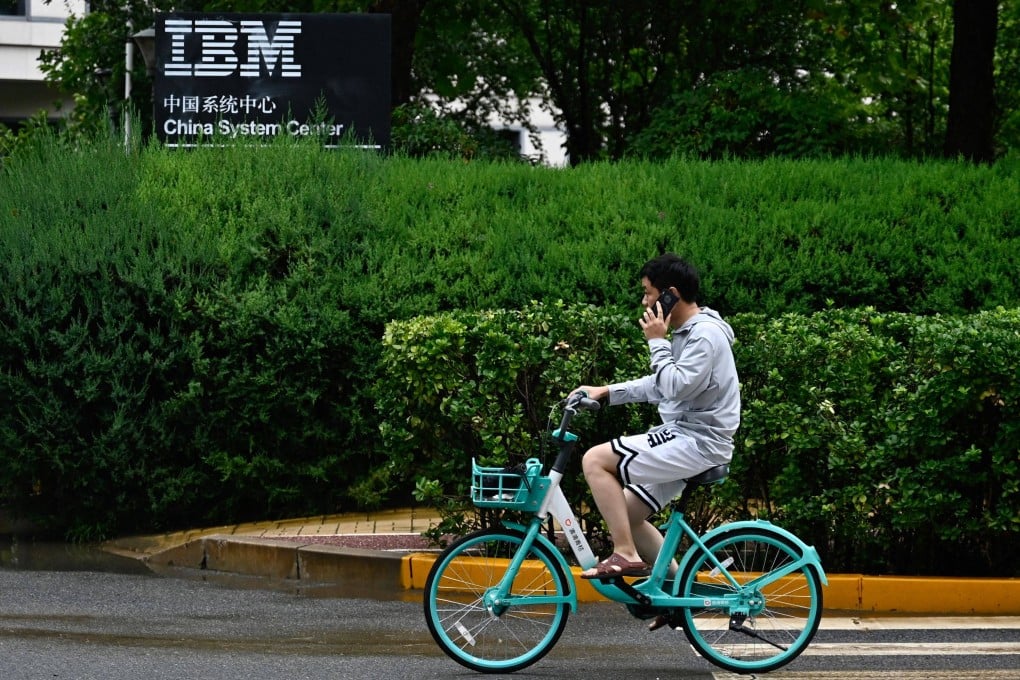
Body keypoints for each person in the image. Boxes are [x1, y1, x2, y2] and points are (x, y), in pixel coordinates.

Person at [570, 253, 740, 595]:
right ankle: (676, 594)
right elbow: (663, 384)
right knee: (625, 514)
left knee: (595, 460)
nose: (644, 301)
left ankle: (625, 553)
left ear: (670, 295)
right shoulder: (689, 333)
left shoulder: (704, 336)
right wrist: (608, 391)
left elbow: (675, 385)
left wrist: (656, 342)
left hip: (698, 442)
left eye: (648, 293)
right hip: (687, 437)